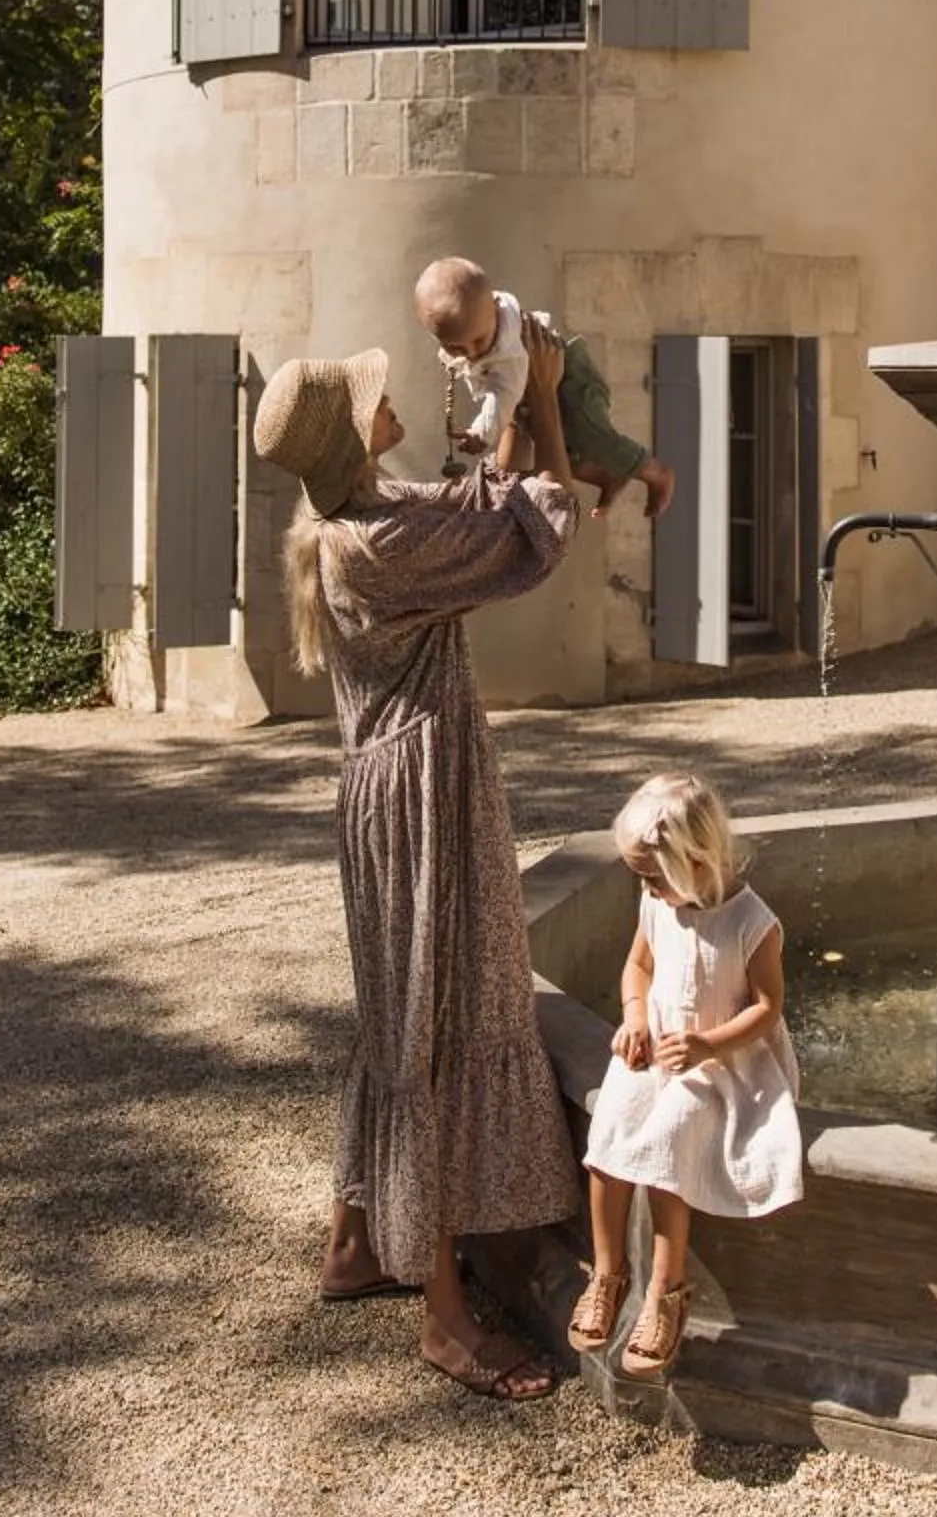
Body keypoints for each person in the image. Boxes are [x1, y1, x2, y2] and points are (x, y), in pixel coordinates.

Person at [252, 320, 583, 1401]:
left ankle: (355, 1244)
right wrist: (542, 401)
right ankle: (445, 1317)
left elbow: (467, 497)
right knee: (432, 1022)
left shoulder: (358, 516)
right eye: (368, 402)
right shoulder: (372, 542)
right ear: (352, 442)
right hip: (420, 793)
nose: (381, 398)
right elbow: (535, 528)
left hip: (400, 782)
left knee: (398, 1016)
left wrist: (486, 418)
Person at [569, 772, 803, 1380]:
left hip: (726, 1060)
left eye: (652, 875)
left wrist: (707, 1043)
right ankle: (607, 1272)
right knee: (607, 1140)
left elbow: (766, 1007)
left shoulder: (754, 923)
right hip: (664, 1045)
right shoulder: (656, 902)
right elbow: (638, 968)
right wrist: (634, 1016)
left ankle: (665, 1295)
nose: (643, 887)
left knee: (671, 1143)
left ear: (695, 860)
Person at [414, 255, 676, 520]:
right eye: (455, 346)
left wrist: (481, 432)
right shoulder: (479, 326)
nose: (471, 352)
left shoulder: (509, 347)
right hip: (531, 396)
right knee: (557, 453)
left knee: (593, 439)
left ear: (494, 309)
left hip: (571, 380)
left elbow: (504, 394)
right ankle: (608, 477)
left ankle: (655, 472)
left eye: (478, 340)